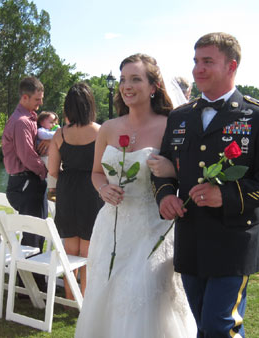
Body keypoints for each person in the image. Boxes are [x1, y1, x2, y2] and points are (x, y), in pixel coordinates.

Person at [153, 32, 259, 337]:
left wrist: (225, 194)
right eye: (195, 61)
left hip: (233, 241)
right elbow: (163, 168)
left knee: (220, 326)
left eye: (207, 62)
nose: (197, 69)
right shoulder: (179, 117)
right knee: (201, 323)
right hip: (190, 239)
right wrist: (164, 195)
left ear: (231, 66)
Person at [75, 54, 196, 338]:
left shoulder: (171, 126)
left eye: (136, 79)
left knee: (143, 295)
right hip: (112, 228)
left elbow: (187, 175)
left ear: (154, 86)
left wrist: (171, 170)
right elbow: (95, 173)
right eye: (123, 80)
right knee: (108, 293)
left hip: (153, 228)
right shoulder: (108, 128)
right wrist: (103, 189)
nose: (126, 86)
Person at [48, 82, 103, 300]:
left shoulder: (60, 134)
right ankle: (85, 298)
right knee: (88, 251)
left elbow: (52, 169)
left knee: (70, 249)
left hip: (67, 190)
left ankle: (70, 299)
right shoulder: (101, 131)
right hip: (92, 189)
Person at [2, 76, 49, 292]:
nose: (40, 104)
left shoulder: (28, 119)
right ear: (24, 97)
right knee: (33, 233)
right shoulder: (21, 122)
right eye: (37, 100)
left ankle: (32, 281)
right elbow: (27, 156)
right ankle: (30, 285)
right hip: (26, 182)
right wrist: (46, 170)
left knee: (36, 233)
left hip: (25, 182)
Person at [37, 111, 58, 200]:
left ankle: (55, 189)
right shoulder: (41, 131)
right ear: (42, 123)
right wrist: (59, 133)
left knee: (55, 170)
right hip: (44, 156)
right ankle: (52, 190)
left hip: (51, 156)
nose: (53, 125)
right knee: (52, 170)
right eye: (51, 122)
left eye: (55, 123)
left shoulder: (53, 131)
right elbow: (44, 135)